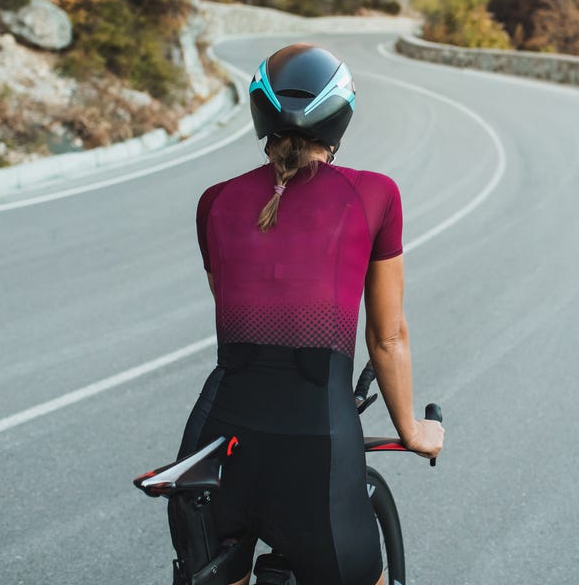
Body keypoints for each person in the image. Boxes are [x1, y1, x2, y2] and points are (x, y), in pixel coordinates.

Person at [170, 43, 444, 585]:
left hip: (214, 446)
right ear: (340, 118)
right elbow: (387, 338)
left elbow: (233, 304)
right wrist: (412, 429)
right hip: (317, 443)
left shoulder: (215, 203)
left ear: (259, 113)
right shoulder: (375, 195)